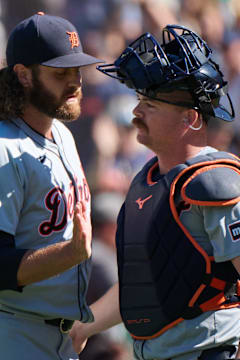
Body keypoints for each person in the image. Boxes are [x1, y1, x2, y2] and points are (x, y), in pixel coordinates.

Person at [0, 12, 103, 360]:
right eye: (60, 73)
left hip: (49, 334)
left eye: (78, 71)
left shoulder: (60, 132)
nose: (75, 82)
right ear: (24, 75)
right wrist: (71, 252)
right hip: (0, 333)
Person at [71, 25, 240, 360]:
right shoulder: (145, 181)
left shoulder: (215, 182)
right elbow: (143, 287)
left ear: (189, 118)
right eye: (140, 100)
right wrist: (84, 327)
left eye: (151, 104)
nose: (137, 113)